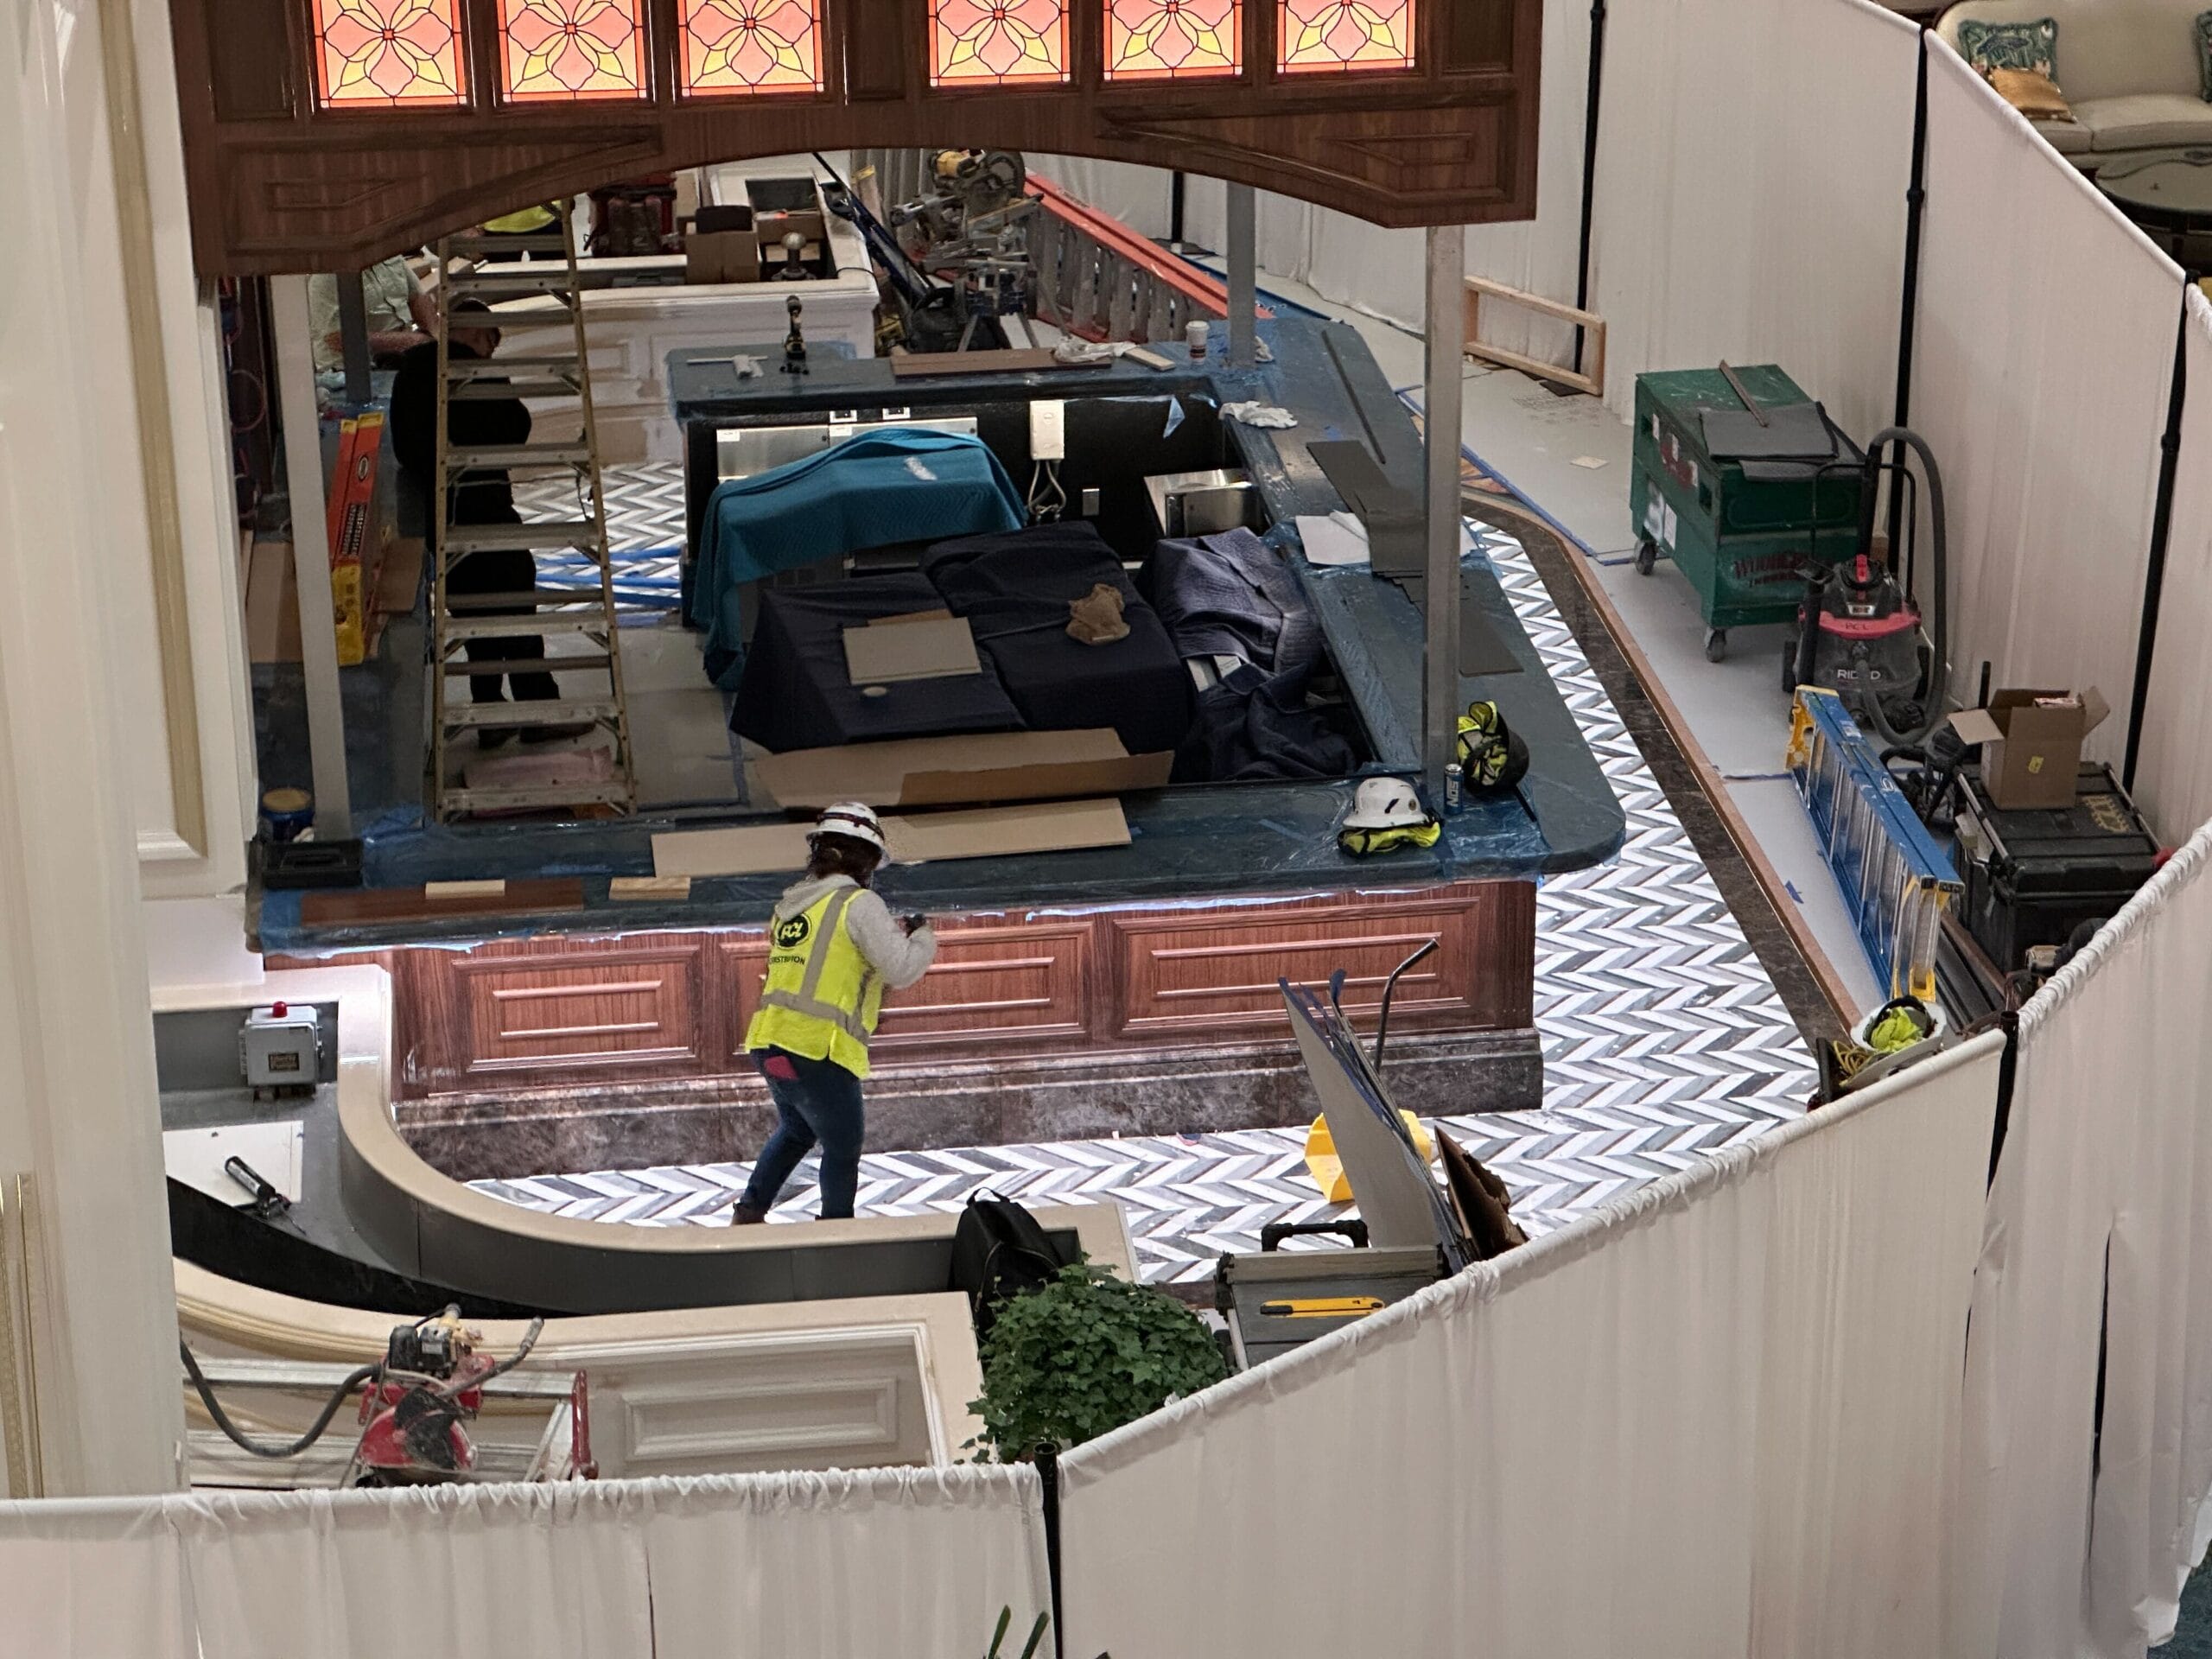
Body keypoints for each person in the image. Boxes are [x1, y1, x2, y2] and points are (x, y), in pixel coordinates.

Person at [732, 804, 938, 1224]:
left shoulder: (792, 905)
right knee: (843, 1147)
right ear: (865, 860)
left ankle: (748, 1215)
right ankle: (836, 1232)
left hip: (771, 1043)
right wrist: (923, 938)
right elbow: (900, 969)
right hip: (816, 1049)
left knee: (798, 1130)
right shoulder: (858, 904)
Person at [387, 298, 574, 746]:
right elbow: (516, 429)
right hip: (485, 508)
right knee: (516, 605)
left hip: (439, 514)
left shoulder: (411, 369)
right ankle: (536, 711)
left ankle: (490, 713)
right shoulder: (480, 372)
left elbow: (407, 448)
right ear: (478, 334)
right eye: (490, 343)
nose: (490, 352)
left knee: (473, 611)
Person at [308, 256, 437, 373]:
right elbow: (337, 339)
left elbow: (417, 296)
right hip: (352, 372)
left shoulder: (387, 255)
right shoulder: (326, 275)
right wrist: (413, 341)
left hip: (399, 356)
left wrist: (436, 333)